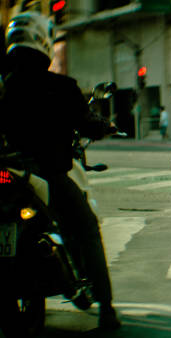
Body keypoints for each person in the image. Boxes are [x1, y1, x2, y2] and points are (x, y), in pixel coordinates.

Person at [0, 12, 120, 330]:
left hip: (6, 175)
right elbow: (87, 121)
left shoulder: (4, 87)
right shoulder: (61, 87)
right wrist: (105, 126)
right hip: (49, 176)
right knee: (88, 229)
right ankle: (107, 308)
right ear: (43, 41)